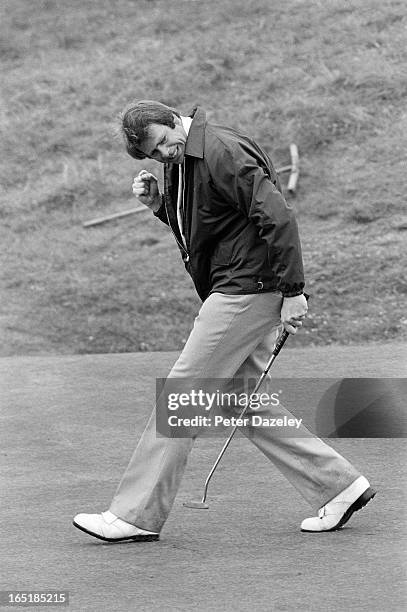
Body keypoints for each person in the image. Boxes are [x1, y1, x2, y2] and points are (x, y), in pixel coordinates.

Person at [73, 101, 375, 541]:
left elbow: (279, 217)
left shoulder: (220, 150)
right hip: (239, 284)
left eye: (162, 143)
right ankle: (338, 486)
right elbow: (209, 228)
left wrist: (293, 292)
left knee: (181, 395)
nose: (163, 156)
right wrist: (161, 206)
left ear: (173, 119)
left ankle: (135, 515)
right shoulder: (188, 157)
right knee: (239, 398)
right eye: (154, 156)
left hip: (246, 289)